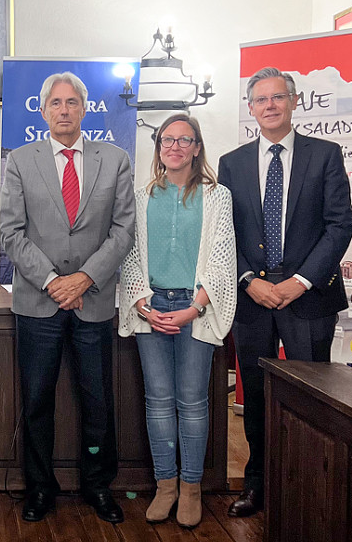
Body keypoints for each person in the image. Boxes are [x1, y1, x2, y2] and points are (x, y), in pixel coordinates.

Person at [0, 72, 135, 523]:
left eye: (71, 102)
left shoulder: (114, 159)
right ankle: (40, 488)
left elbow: (123, 231)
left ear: (84, 108)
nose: (63, 110)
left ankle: (98, 485)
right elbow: (12, 233)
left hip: (93, 301)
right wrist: (54, 282)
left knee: (97, 401)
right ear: (43, 112)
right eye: (55, 103)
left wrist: (84, 279)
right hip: (38, 303)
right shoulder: (20, 160)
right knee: (37, 401)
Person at [218, 67, 352, 517]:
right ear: (252, 108)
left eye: (278, 97)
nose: (270, 106)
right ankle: (256, 484)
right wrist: (248, 281)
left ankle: (311, 489)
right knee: (254, 396)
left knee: (311, 400)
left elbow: (339, 225)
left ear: (294, 101)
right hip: (252, 299)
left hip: (309, 298)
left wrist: (299, 281)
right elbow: (224, 234)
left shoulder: (325, 155)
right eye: (261, 99)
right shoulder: (231, 163)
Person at [119, 114, 236, 528]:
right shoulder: (140, 195)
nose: (174, 147)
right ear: (159, 147)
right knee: (158, 401)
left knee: (192, 401)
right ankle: (165, 485)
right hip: (151, 305)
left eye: (184, 140)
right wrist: (142, 303)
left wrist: (196, 307)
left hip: (194, 306)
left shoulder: (217, 196)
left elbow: (222, 259)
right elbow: (130, 255)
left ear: (197, 147)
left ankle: (191, 487)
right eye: (167, 140)